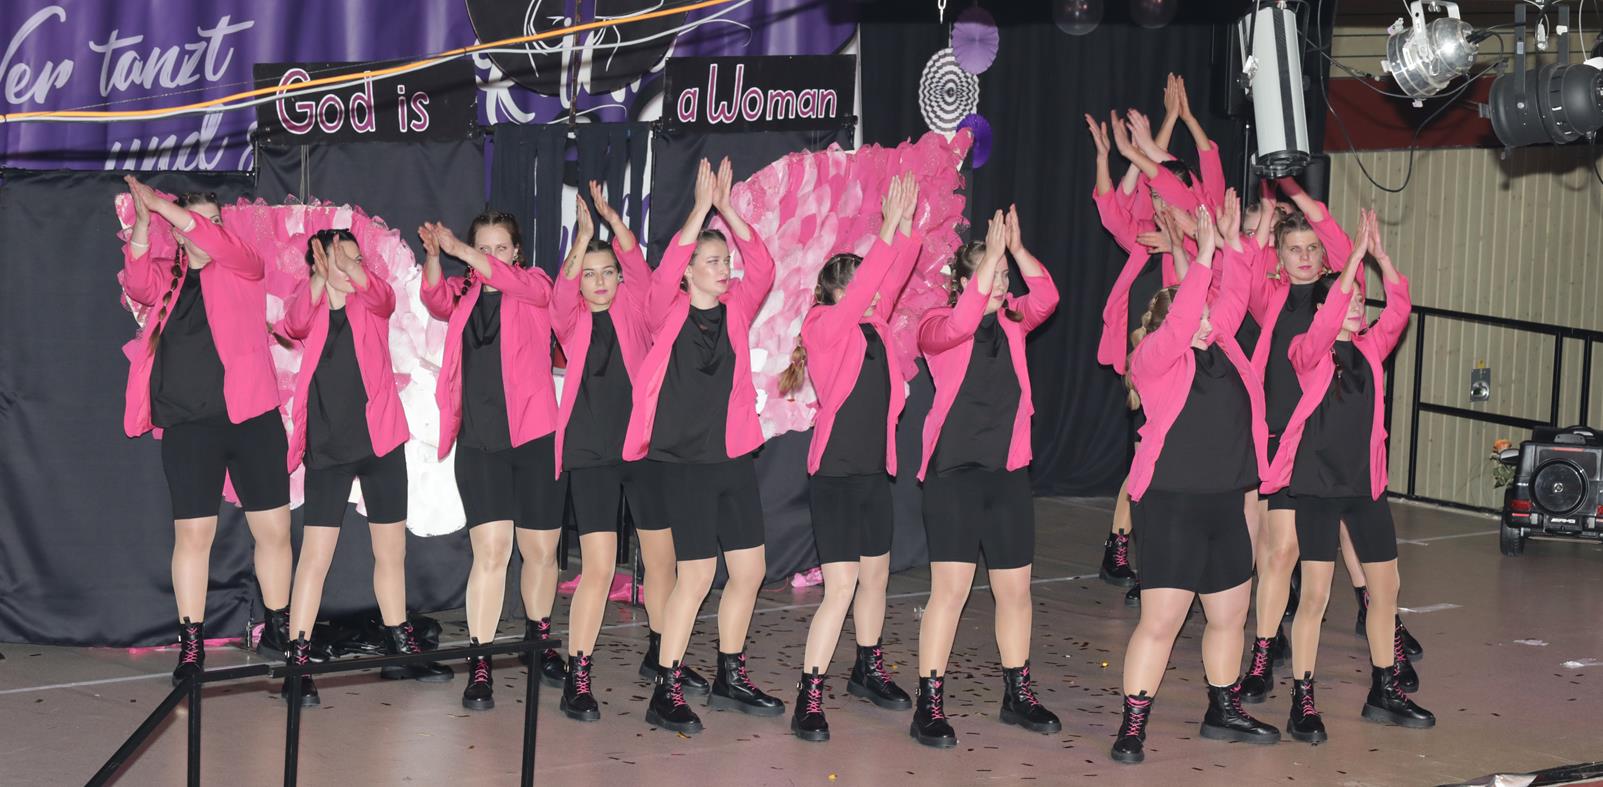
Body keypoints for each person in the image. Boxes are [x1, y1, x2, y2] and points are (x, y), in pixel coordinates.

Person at [1112, 198, 1280, 764]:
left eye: (1209, 309)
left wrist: (1233, 244)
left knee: (1229, 616)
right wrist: (1203, 256)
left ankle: (1223, 708)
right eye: (1196, 311)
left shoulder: (1224, 345)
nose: (1210, 317)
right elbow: (1187, 315)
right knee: (1161, 622)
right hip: (1171, 505)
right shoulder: (1154, 359)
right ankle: (1133, 725)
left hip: (1226, 503)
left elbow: (1234, 294)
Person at [1262, 210, 1433, 741]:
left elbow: (1400, 308)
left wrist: (1379, 258)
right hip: (1316, 491)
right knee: (1314, 597)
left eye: (1361, 301)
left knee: (1386, 593)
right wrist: (1353, 260)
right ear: (1325, 309)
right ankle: (1303, 700)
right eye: (1349, 301)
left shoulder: (1369, 350)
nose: (1358, 307)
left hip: (1365, 490)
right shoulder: (1306, 352)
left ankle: (1384, 691)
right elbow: (1325, 321)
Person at [624, 159, 778, 734]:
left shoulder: (737, 310)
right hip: (682, 464)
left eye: (724, 261)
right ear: (689, 271)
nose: (724, 269)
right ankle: (665, 688)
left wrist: (729, 210)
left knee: (750, 570)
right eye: (712, 261)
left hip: (731, 459)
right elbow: (662, 274)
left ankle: (729, 676)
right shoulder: (664, 313)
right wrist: (699, 210)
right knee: (695, 577)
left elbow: (763, 265)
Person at [119, 176, 293, 685]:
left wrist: (166, 206)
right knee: (194, 536)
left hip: (253, 419)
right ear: (178, 233)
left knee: (274, 531)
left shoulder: (243, 266)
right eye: (198, 222)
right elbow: (136, 282)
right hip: (190, 427)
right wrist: (146, 222)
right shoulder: (166, 279)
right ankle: (191, 643)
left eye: (216, 222)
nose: (209, 229)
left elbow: (219, 242)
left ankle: (278, 629)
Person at [273, 231, 452, 707]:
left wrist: (350, 269)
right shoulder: (311, 308)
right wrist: (319, 278)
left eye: (358, 258)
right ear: (319, 263)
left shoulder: (369, 303)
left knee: (391, 552)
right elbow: (292, 323)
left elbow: (385, 296)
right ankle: (297, 663)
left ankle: (400, 649)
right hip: (329, 451)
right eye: (343, 258)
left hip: (381, 444)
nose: (355, 266)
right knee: (315, 558)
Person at [777, 174, 923, 741]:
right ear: (838, 292)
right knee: (840, 589)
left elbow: (894, 274)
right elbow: (871, 288)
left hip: (872, 477)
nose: (875, 292)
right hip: (835, 478)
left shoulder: (875, 328)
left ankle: (867, 668)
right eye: (862, 286)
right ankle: (809, 693)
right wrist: (886, 230)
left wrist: (902, 226)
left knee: (876, 579)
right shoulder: (823, 326)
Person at [911, 206, 1061, 748]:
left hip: (1007, 475)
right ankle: (929, 705)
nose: (1000, 283)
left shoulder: (1014, 321)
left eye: (1002, 276)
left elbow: (1047, 297)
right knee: (950, 592)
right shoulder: (935, 324)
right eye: (989, 275)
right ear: (962, 282)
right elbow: (961, 323)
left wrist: (1015, 250)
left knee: (1015, 591)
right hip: (954, 475)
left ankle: (1017, 694)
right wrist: (992, 257)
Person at [417, 212, 564, 711]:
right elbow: (434, 299)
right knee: (492, 553)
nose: (492, 256)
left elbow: (523, 286)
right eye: (484, 248)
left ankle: (538, 642)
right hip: (480, 443)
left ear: (516, 253)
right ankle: (479, 659)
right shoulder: (464, 294)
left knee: (541, 552)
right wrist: (435, 256)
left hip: (536, 438)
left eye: (502, 248)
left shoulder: (535, 285)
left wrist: (461, 249)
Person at [546, 184, 658, 721]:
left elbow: (641, 272)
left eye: (606, 272)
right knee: (598, 567)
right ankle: (578, 674)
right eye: (589, 274)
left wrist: (615, 223)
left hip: (641, 452)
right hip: (590, 454)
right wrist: (583, 239)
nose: (598, 282)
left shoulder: (635, 307)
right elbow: (559, 297)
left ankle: (665, 658)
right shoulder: (572, 320)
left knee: (662, 564)